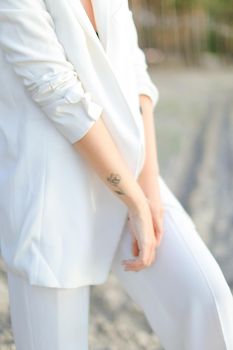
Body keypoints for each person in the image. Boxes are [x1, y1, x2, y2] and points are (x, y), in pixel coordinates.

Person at [0, 0, 233, 349]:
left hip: (132, 174)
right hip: (52, 197)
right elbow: (56, 91)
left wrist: (149, 188)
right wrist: (135, 200)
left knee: (206, 299)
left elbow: (135, 69)